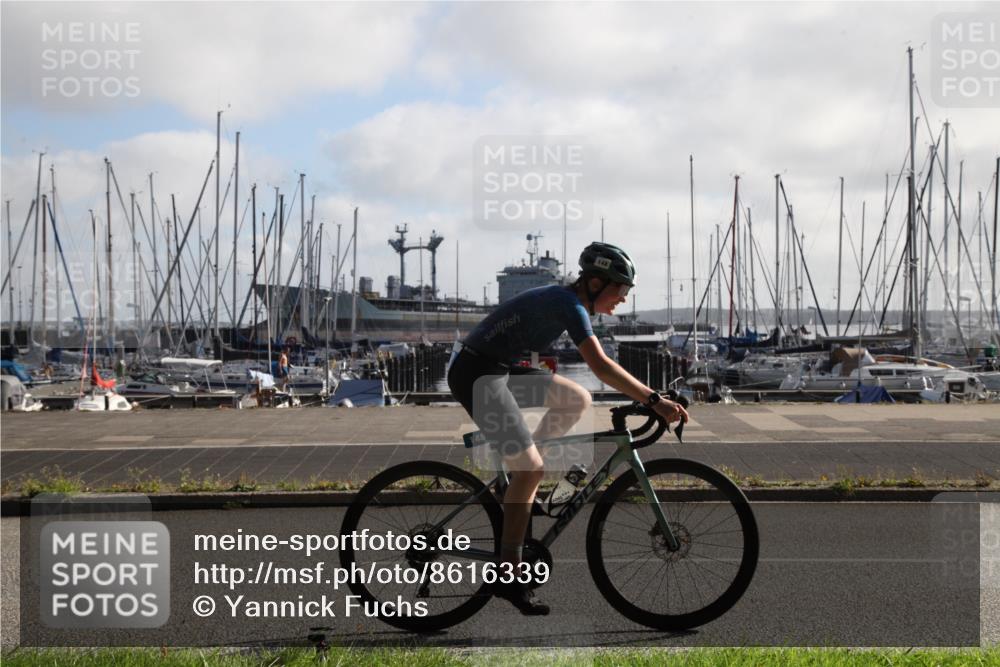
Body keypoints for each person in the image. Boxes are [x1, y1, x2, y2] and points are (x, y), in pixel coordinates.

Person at [447, 242, 689, 615]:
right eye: (620, 290)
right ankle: (508, 575)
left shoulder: (568, 301)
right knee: (530, 469)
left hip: (499, 369)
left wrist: (649, 399)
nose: (623, 300)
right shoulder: (569, 304)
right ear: (594, 283)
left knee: (576, 399)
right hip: (477, 373)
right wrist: (653, 399)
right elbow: (602, 366)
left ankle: (521, 477)